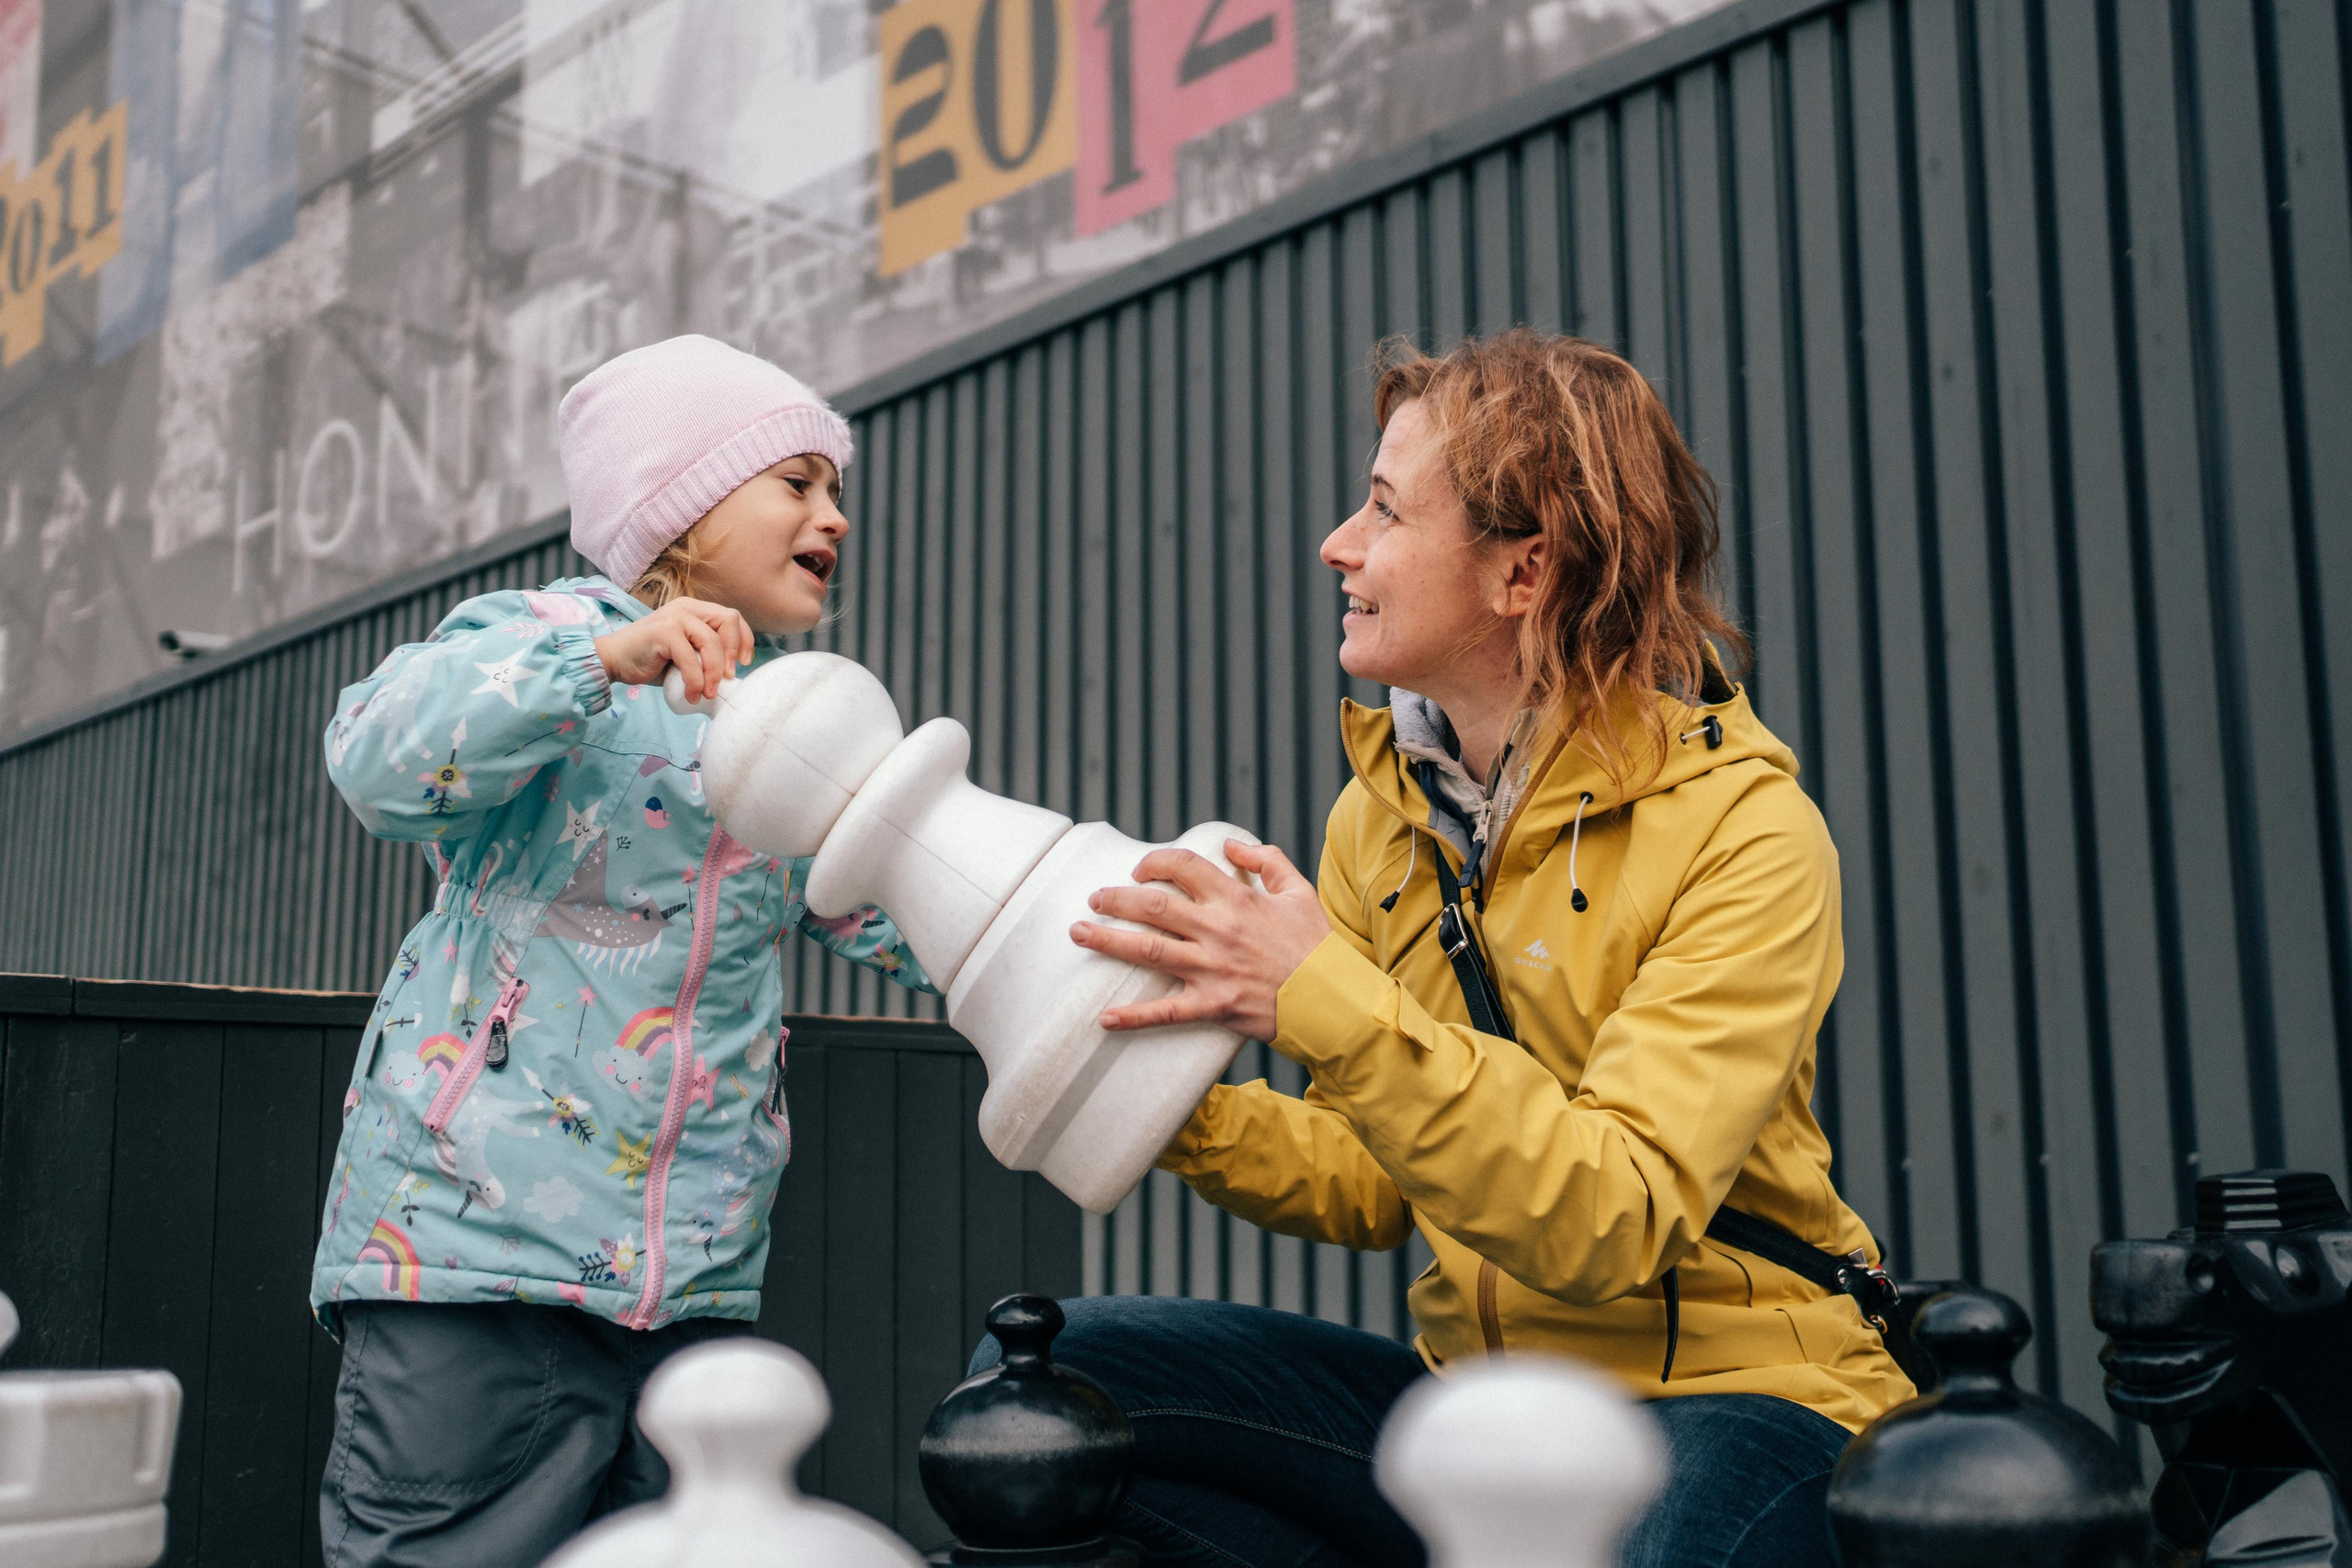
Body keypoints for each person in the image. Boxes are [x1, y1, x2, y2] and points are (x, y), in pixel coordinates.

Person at [1027, 331, 1914, 1567]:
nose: (1340, 546)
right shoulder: (1378, 823)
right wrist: (1143, 1090)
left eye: (1385, 512)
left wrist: (1316, 997)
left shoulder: (1748, 831)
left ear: (1524, 571)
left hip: (1735, 1404)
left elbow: (1613, 1216)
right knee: (1054, 1397)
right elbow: (1379, 1177)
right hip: (1481, 1417)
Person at [311, 335, 931, 1565]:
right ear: (682, 507)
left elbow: (902, 900)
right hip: (474, 1265)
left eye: (837, 490)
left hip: (686, 1291)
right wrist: (597, 661)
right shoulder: (540, 640)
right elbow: (379, 757)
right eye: (798, 483)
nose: (836, 517)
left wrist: (1083, 923)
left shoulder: (783, 725)